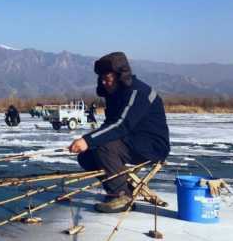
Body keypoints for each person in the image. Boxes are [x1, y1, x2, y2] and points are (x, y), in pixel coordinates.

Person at [68, 52, 170, 213]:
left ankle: (122, 196)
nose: (104, 83)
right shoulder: (115, 94)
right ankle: (120, 189)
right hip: (131, 141)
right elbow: (110, 124)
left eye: (107, 79)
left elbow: (121, 125)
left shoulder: (137, 92)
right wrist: (89, 143)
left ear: (120, 76)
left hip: (152, 146)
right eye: (101, 79)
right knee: (86, 156)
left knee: (104, 146)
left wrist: (87, 140)